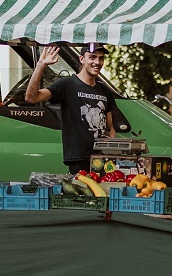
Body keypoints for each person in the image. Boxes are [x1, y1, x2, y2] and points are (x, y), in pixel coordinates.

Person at [25, 43, 117, 176]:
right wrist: (41, 65)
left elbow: (110, 129)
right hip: (79, 158)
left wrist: (111, 151)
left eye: (101, 58)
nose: (97, 62)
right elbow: (31, 98)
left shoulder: (105, 91)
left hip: (102, 159)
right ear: (81, 59)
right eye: (92, 57)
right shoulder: (67, 84)